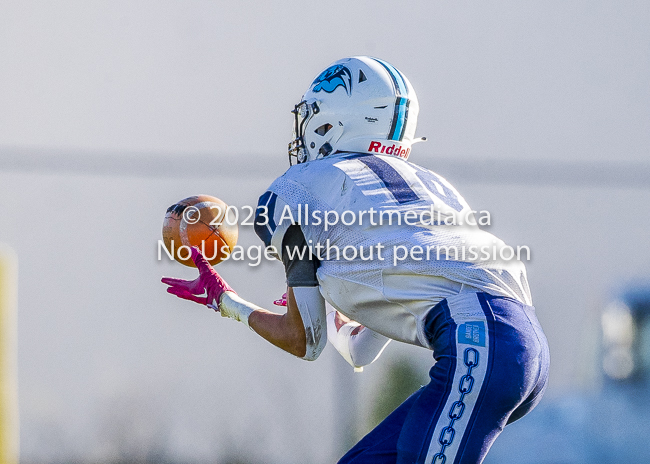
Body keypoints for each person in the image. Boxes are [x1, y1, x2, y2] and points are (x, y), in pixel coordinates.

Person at [162, 56, 550, 464]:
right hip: (515, 345)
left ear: (332, 124)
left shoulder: (298, 190)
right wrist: (332, 314)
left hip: (479, 342)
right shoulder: (434, 189)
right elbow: (362, 349)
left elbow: (303, 340)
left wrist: (226, 302)